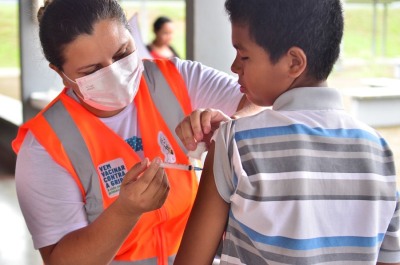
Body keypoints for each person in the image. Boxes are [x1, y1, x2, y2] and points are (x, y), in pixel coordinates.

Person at [11, 0, 259, 264]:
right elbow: (62, 260)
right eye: (92, 71)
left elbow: (262, 96)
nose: (116, 75)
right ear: (60, 73)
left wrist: (230, 123)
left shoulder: (177, 79)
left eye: (122, 54)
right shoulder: (45, 146)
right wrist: (124, 212)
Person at [174, 0, 400, 264]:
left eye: (244, 55)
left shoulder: (233, 142)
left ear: (294, 62)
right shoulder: (379, 149)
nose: (235, 66)